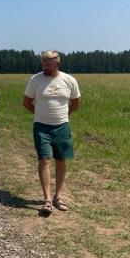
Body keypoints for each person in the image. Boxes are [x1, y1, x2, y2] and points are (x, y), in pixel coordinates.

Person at [23, 50, 80, 215]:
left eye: (48, 64)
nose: (45, 67)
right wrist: (39, 115)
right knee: (44, 159)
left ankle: (58, 196)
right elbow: (27, 102)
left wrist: (63, 115)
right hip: (41, 127)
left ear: (58, 64)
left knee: (61, 159)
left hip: (62, 126)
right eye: (43, 63)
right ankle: (47, 199)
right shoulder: (35, 80)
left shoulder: (69, 80)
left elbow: (76, 102)